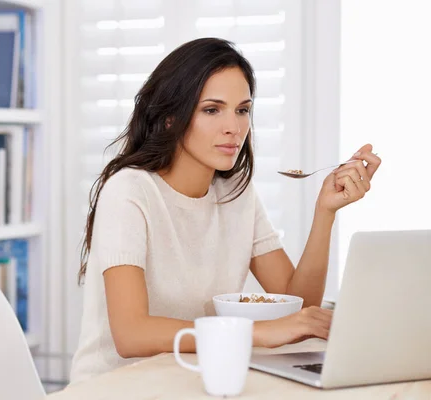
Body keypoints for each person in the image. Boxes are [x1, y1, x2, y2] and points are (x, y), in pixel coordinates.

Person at [69, 37, 381, 384]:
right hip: (118, 385)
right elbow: (131, 335)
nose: (233, 127)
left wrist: (325, 213)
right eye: (212, 109)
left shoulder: (235, 193)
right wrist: (258, 332)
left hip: (199, 379)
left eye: (242, 109)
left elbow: (299, 308)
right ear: (170, 117)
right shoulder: (129, 191)